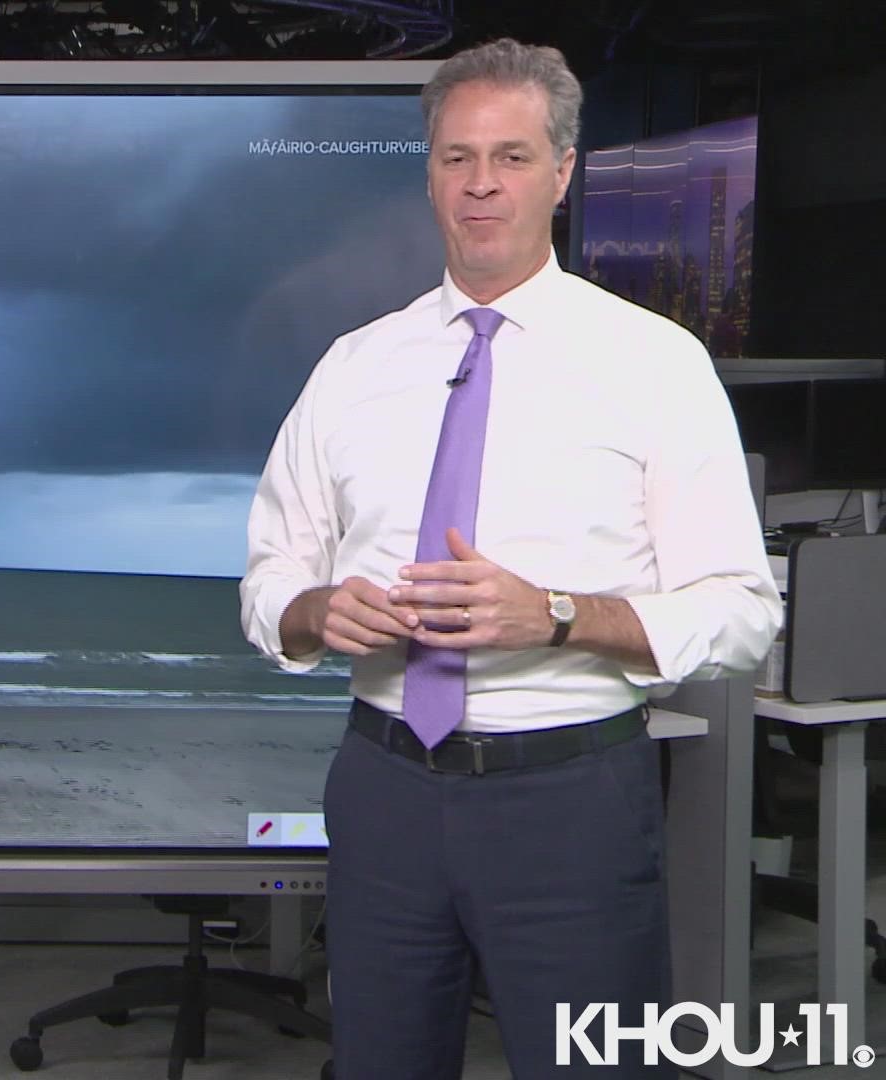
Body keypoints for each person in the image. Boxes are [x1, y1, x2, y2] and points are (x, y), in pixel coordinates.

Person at [237, 37, 782, 1080]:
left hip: (569, 803)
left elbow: (745, 611)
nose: (481, 183)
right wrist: (318, 612)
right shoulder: (354, 368)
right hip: (384, 791)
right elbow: (268, 580)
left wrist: (561, 617)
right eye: (456, 157)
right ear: (431, 171)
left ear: (564, 171)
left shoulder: (655, 365)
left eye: (513, 156)